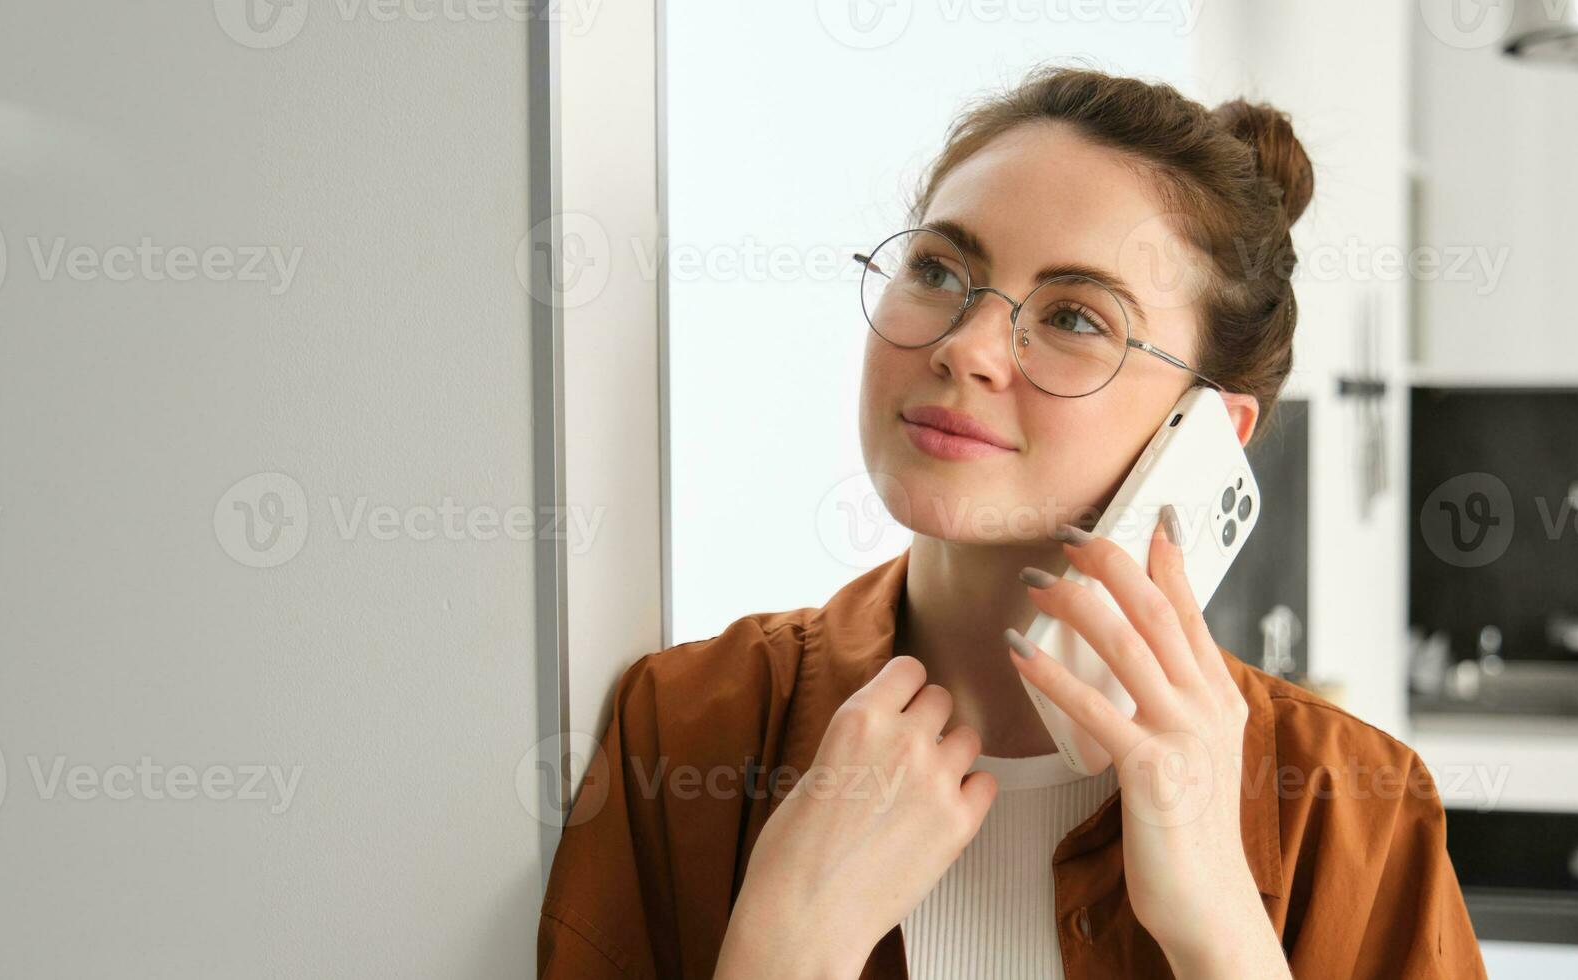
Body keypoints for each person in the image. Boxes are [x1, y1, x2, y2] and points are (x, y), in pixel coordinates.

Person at [538, 66, 1484, 980]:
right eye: (939, 269)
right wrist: (785, 951)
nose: (964, 347)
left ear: (1204, 432)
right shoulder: (684, 733)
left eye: (1074, 317)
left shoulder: (1348, 804)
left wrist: (1222, 937)